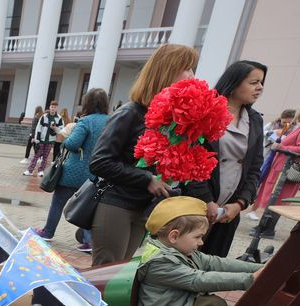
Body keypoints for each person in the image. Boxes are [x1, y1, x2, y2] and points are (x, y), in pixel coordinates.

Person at [88, 43, 201, 266]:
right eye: (186, 68)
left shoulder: (172, 120)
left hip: (145, 209)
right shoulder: (130, 113)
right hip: (117, 205)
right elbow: (99, 162)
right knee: (105, 273)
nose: (192, 75)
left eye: (192, 69)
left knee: (120, 273)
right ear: (166, 71)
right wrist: (146, 179)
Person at [136, 197, 260, 306]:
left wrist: (258, 269)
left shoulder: (182, 251)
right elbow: (199, 280)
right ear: (174, 236)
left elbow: (215, 262)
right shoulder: (159, 262)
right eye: (198, 237)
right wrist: (250, 279)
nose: (201, 242)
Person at [186, 61, 266, 258]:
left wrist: (240, 203)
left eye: (261, 82)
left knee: (212, 262)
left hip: (229, 210)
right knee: (181, 260)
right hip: (195, 203)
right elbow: (190, 160)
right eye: (253, 82)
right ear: (233, 83)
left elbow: (254, 167)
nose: (259, 87)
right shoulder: (205, 111)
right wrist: (206, 200)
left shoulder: (254, 119)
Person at [32, 89, 109, 253]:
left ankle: (48, 232)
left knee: (58, 202)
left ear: (88, 103)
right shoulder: (111, 122)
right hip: (96, 173)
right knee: (88, 206)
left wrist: (67, 140)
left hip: (74, 172)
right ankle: (89, 242)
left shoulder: (85, 121)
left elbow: (72, 144)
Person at [251, 101, 300, 238]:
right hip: (287, 169)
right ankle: (265, 227)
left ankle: (267, 229)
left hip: (287, 170)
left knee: (277, 198)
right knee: (278, 198)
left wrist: (281, 147)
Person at [23, 101, 62, 178]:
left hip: (50, 140)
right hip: (41, 139)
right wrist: (37, 139)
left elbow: (61, 129)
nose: (53, 108)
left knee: (45, 156)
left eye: (54, 107)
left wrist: (55, 128)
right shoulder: (44, 117)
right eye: (52, 107)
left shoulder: (59, 118)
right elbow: (38, 128)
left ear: (57, 108)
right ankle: (29, 170)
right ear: (49, 107)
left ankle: (41, 171)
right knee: (36, 155)